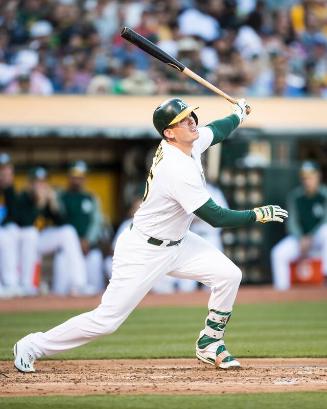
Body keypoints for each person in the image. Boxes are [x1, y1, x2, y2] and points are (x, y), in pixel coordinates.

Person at [13, 97, 288, 373]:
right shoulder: (175, 167)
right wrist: (256, 214)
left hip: (179, 243)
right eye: (182, 119)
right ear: (169, 132)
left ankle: (210, 343)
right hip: (144, 250)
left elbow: (216, 131)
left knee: (229, 275)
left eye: (191, 115)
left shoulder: (187, 142)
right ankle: (32, 345)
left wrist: (238, 114)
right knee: (106, 321)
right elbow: (215, 217)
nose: (191, 121)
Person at [15, 167, 90, 296]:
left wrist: (54, 205)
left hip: (40, 240)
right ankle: (26, 285)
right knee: (30, 234)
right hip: (21, 241)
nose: (41, 185)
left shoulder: (48, 198)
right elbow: (24, 223)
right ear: (30, 184)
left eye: (43, 182)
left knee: (68, 231)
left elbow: (62, 222)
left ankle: (79, 284)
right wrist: (38, 204)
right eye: (37, 182)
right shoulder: (23, 197)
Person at [271, 161, 327, 291]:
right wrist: (301, 237)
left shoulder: (324, 194)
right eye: (304, 177)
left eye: (311, 177)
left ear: (318, 176)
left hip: (318, 239)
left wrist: (311, 237)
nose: (307, 181)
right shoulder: (295, 196)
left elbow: (325, 220)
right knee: (278, 253)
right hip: (300, 240)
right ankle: (282, 293)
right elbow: (292, 222)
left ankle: (325, 277)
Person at [57, 161, 105, 294]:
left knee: (94, 284)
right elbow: (58, 220)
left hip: (87, 248)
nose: (77, 180)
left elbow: (97, 222)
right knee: (60, 289)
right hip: (66, 249)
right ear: (69, 178)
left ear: (84, 178)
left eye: (80, 177)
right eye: (74, 177)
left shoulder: (91, 197)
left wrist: (88, 240)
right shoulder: (62, 196)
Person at [0, 153, 22, 297]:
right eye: (2, 171)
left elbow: (14, 216)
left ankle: (12, 283)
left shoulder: (9, 191)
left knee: (12, 231)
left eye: (8, 171)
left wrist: (8, 189)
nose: (5, 175)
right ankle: (9, 283)